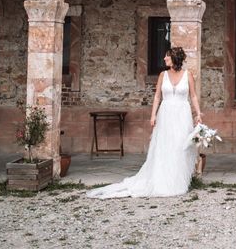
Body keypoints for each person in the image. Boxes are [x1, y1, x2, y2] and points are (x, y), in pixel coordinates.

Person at [87, 47, 202, 198]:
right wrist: (153, 115)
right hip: (166, 113)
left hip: (182, 114)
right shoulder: (163, 75)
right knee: (164, 146)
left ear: (174, 58)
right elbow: (157, 97)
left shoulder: (188, 75)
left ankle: (177, 181)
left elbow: (193, 96)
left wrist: (198, 113)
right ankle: (162, 180)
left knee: (180, 146)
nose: (164, 59)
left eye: (167, 56)